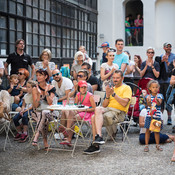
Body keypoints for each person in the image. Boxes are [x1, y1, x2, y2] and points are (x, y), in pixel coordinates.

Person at [83, 70, 132, 154]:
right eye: (113, 78)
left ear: (122, 78)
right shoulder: (111, 89)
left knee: (93, 117)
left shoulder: (126, 88)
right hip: (108, 110)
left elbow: (124, 103)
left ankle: (96, 145)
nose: (115, 80)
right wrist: (108, 95)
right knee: (97, 109)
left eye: (117, 78)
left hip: (119, 112)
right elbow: (105, 105)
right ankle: (99, 137)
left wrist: (113, 94)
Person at [59, 80, 96, 146]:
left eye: (85, 87)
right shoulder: (78, 94)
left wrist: (84, 109)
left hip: (88, 113)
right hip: (80, 111)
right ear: (79, 88)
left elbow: (94, 108)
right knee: (66, 111)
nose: (83, 89)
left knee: (72, 117)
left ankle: (67, 133)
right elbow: (75, 105)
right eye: (82, 87)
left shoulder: (90, 96)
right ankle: (64, 128)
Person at [31, 69, 56, 150]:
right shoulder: (35, 88)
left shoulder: (51, 87)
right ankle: (45, 144)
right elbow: (35, 105)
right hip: (36, 112)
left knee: (44, 113)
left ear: (45, 76)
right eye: (37, 75)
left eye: (40, 75)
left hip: (50, 113)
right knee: (43, 116)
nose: (38, 77)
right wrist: (38, 95)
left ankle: (36, 135)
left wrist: (46, 93)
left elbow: (50, 103)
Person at [156, 42, 175, 125]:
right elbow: (158, 68)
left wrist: (167, 62)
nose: (169, 48)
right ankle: (160, 117)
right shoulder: (160, 56)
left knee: (169, 101)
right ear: (164, 48)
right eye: (167, 47)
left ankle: (169, 118)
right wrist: (161, 61)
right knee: (161, 100)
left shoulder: (174, 57)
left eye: (170, 47)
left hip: (169, 81)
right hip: (161, 81)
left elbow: (172, 69)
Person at [144, 80, 163, 152]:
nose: (155, 89)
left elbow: (159, 104)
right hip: (149, 116)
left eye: (156, 87)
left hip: (157, 116)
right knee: (147, 130)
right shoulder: (147, 96)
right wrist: (148, 102)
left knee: (156, 131)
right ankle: (146, 145)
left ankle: (157, 145)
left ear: (158, 88)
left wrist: (157, 100)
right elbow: (148, 105)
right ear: (150, 88)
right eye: (153, 87)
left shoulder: (160, 95)